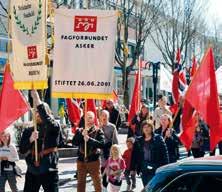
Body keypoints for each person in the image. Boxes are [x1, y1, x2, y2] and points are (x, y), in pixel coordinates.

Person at [19, 90, 61, 192]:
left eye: (40, 111)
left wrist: (37, 101)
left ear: (48, 112)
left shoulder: (54, 126)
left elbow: (47, 120)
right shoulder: (29, 130)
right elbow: (22, 150)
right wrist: (30, 139)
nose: (38, 114)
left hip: (49, 169)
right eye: (36, 112)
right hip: (33, 170)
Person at [73, 111, 105, 192]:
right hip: (81, 160)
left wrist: (89, 139)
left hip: (93, 160)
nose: (88, 119)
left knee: (97, 182)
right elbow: (74, 143)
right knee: (80, 183)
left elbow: (102, 144)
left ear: (94, 119)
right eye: (86, 117)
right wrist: (81, 135)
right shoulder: (80, 130)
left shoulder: (98, 131)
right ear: (84, 118)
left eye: (90, 117)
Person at [131, 121, 169, 186]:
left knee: (154, 187)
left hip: (156, 167)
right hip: (144, 168)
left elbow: (165, 154)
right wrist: (132, 169)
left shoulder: (158, 138)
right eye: (144, 127)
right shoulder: (138, 140)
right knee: (147, 187)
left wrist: (166, 168)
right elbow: (134, 156)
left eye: (148, 126)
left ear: (152, 128)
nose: (146, 128)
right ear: (142, 129)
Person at [99, 110, 119, 191]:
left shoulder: (112, 127)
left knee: (107, 170)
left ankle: (105, 187)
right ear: (100, 117)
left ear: (108, 117)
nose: (104, 117)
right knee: (101, 171)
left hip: (108, 152)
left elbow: (115, 141)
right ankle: (103, 186)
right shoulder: (97, 127)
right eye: (102, 115)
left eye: (106, 116)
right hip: (99, 152)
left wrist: (115, 152)